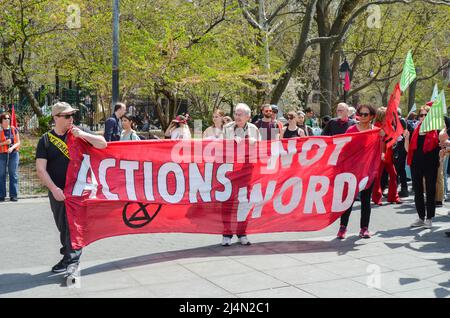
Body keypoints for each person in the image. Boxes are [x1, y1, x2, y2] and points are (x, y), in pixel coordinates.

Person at [36, 102, 107, 273]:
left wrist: (83, 134)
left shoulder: (79, 132)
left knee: (74, 226)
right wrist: (54, 189)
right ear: (56, 117)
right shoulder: (45, 140)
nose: (71, 119)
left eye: (72, 115)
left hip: (79, 190)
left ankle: (72, 261)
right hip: (58, 191)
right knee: (63, 226)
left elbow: (103, 144)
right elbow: (40, 169)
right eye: (67, 116)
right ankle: (68, 256)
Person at [222, 103, 260, 246]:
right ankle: (226, 234)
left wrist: (254, 142)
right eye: (236, 114)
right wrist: (230, 143)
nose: (237, 117)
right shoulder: (227, 128)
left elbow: (262, 148)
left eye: (240, 114)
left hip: (246, 171)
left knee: (244, 202)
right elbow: (219, 147)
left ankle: (242, 233)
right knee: (227, 203)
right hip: (229, 171)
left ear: (248, 117)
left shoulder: (253, 129)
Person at [337, 105, 377, 239]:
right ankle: (343, 227)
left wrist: (383, 137)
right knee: (348, 199)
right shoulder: (351, 130)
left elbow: (383, 149)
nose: (363, 116)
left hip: (368, 170)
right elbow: (344, 149)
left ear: (371, 116)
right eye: (361, 114)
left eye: (366, 114)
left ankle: (364, 228)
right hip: (352, 170)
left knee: (366, 200)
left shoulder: (376, 131)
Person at [404, 105, 440, 229]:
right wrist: (406, 138)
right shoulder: (414, 130)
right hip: (416, 164)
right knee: (417, 191)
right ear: (418, 117)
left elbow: (441, 146)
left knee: (430, 190)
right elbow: (408, 149)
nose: (423, 117)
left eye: (426, 115)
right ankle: (421, 217)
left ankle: (429, 218)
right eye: (421, 115)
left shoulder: (437, 130)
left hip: (431, 164)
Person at [372, 107, 401, 205]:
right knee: (378, 177)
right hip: (379, 154)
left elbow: (392, 140)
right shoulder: (375, 126)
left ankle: (393, 197)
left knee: (393, 175)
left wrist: (395, 138)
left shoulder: (389, 126)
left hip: (388, 154)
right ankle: (376, 198)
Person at [0, 112, 20, 202]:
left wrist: (12, 147)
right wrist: (4, 143)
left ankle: (13, 195)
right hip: (1, 154)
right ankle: (1, 195)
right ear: (1, 121)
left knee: (13, 174)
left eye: (8, 118)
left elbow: (18, 142)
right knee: (1, 175)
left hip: (13, 153)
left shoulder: (13, 129)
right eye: (5, 119)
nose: (7, 120)